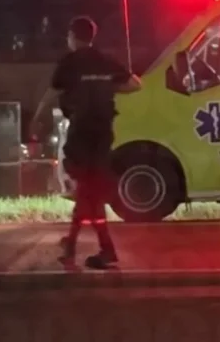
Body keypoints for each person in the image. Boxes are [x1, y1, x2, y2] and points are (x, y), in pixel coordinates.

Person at [30, 16, 141, 269]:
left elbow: (52, 93)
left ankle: (89, 248)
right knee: (89, 191)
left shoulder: (69, 63)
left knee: (86, 190)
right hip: (102, 135)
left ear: (72, 36)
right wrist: (109, 87)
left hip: (81, 133)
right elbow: (135, 84)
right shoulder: (105, 60)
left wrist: (36, 119)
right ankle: (78, 246)